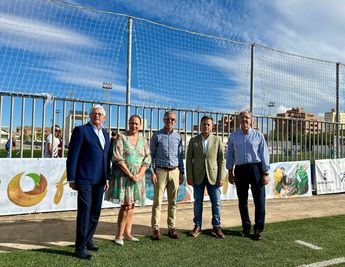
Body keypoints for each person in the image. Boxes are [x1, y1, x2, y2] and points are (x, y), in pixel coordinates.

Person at [66, 105, 110, 260]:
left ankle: (88, 239)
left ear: (104, 118)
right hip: (84, 179)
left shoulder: (105, 134)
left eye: (100, 114)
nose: (97, 116)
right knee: (84, 212)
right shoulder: (81, 130)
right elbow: (73, 155)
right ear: (90, 116)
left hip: (100, 180)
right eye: (94, 113)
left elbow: (107, 158)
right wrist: (71, 177)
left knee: (95, 212)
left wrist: (107, 178)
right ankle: (80, 247)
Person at [105, 115, 151, 246]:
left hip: (138, 179)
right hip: (124, 178)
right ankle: (119, 236)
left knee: (132, 206)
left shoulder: (143, 139)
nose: (134, 126)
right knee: (125, 206)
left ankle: (128, 233)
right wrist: (131, 175)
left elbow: (147, 159)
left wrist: (140, 174)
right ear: (128, 123)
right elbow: (117, 157)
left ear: (140, 125)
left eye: (136, 124)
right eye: (132, 123)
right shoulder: (121, 137)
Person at [226, 110, 270, 241]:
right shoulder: (233, 136)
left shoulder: (258, 135)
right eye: (242, 118)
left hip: (256, 169)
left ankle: (258, 229)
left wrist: (265, 172)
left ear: (251, 120)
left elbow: (264, 154)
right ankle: (246, 227)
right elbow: (230, 154)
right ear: (238, 120)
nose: (244, 120)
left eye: (247, 118)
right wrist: (230, 172)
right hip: (240, 170)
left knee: (259, 201)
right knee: (242, 201)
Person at [186, 115, 226, 238]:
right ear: (200, 125)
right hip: (198, 176)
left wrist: (221, 176)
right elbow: (189, 160)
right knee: (198, 202)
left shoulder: (218, 140)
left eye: (208, 124)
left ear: (212, 126)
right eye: (204, 124)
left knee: (216, 202)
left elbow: (221, 160)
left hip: (213, 176)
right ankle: (197, 226)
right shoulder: (193, 140)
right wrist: (190, 176)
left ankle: (216, 227)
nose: (206, 126)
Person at [150, 111, 184, 240]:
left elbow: (180, 156)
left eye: (173, 120)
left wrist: (181, 172)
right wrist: (152, 172)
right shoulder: (157, 136)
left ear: (175, 122)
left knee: (173, 202)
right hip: (160, 172)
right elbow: (151, 155)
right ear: (164, 120)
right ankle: (155, 228)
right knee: (157, 201)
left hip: (174, 172)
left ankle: (171, 227)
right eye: (168, 119)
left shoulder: (178, 137)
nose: (170, 121)